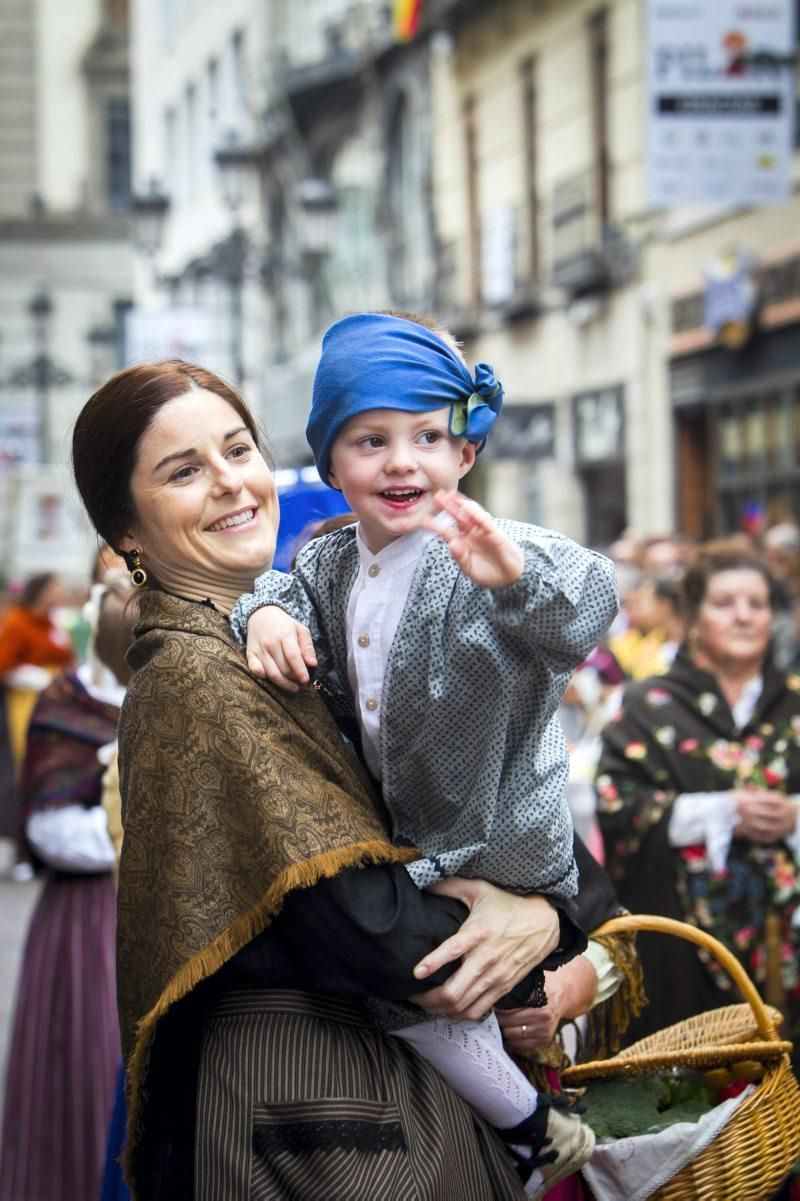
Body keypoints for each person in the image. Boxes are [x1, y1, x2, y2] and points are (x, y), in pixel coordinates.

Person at [71, 359, 593, 1201]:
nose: (231, 484)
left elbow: (459, 789)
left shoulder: (276, 632)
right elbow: (358, 918)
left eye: (237, 450)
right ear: (126, 531)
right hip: (314, 1109)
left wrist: (546, 907)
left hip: (361, 1092)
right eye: (183, 470)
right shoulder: (197, 671)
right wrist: (538, 927)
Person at [596, 540, 800, 1047]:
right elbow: (618, 804)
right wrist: (722, 812)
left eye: (757, 604)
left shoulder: (794, 705)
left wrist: (794, 815)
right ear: (694, 616)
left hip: (787, 938)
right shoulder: (649, 704)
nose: (743, 617)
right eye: (724, 603)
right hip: (683, 940)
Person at [0, 579, 133, 1201]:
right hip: (87, 915)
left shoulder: (176, 698)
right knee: (84, 1060)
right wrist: (135, 834)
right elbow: (49, 828)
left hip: (153, 900)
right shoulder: (66, 703)